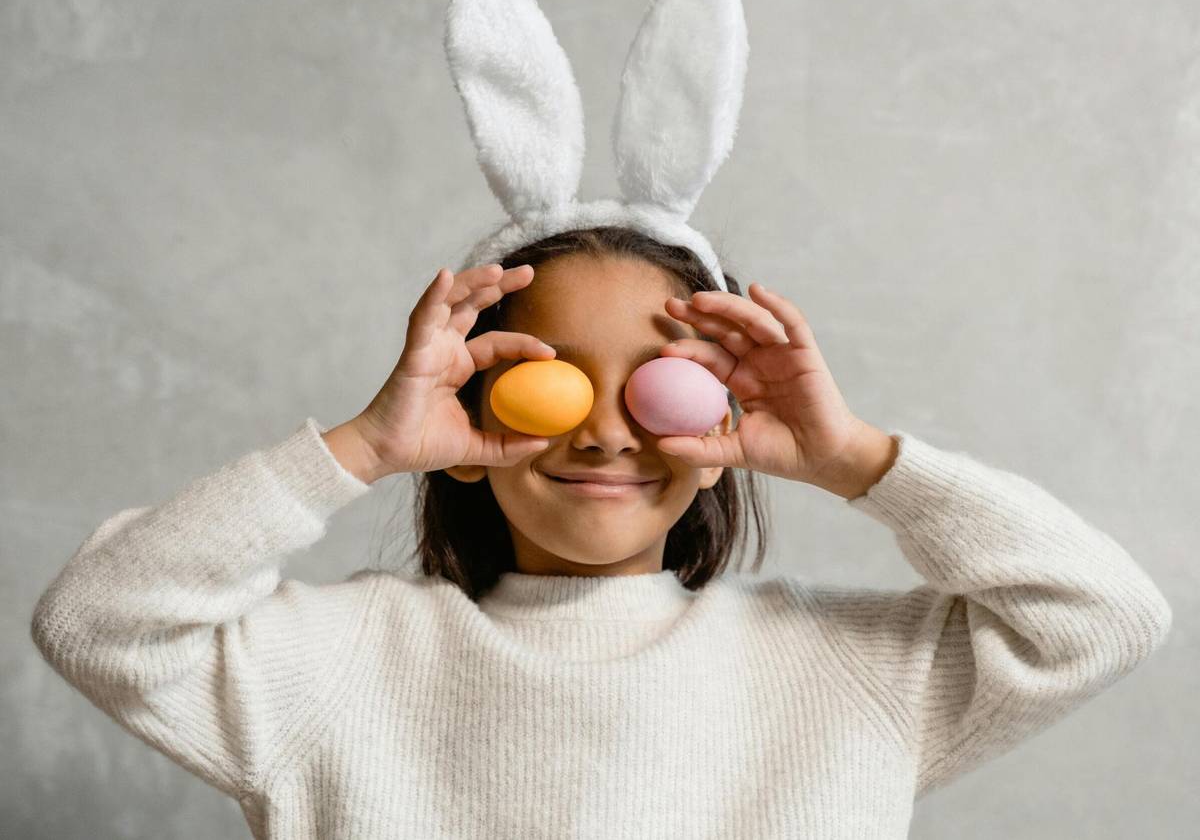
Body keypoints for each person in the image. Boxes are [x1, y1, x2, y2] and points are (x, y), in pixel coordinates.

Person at [30, 228, 1172, 838]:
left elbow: (1102, 616)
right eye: (555, 386)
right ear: (470, 414)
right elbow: (99, 622)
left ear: (724, 418)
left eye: (658, 386)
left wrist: (855, 458)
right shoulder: (339, 667)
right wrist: (361, 448)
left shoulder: (837, 674)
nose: (607, 435)